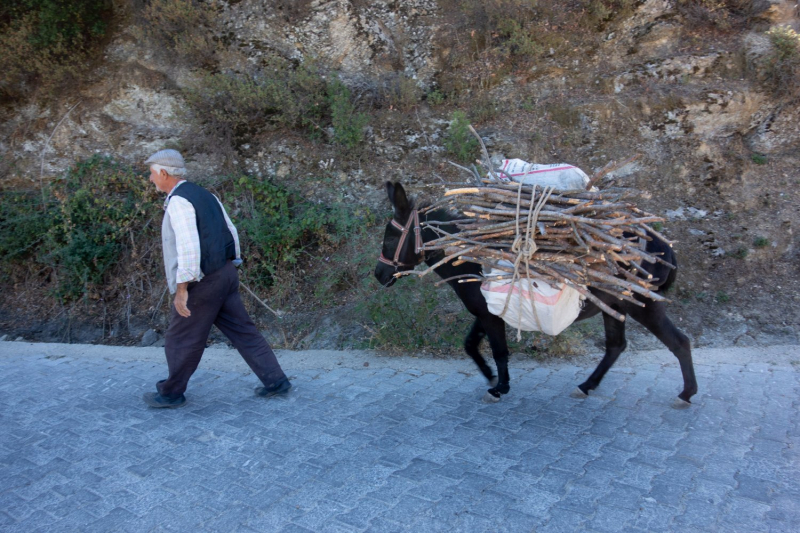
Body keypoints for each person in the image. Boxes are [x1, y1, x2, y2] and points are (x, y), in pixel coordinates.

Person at [142, 149, 291, 408]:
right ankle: (276, 381)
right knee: (243, 331)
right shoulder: (205, 194)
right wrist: (232, 264)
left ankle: (170, 394)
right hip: (225, 274)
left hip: (203, 281)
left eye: (152, 173)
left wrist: (182, 289)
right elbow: (231, 231)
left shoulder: (179, 201)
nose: (150, 179)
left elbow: (189, 248)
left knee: (181, 338)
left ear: (164, 173)